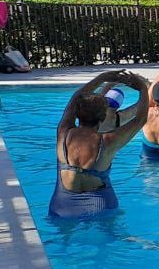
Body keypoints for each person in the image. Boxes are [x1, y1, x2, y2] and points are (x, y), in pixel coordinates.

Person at [48, 70, 149, 220]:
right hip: (100, 206)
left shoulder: (63, 133)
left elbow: (76, 97)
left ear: (77, 114)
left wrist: (103, 77)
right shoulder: (108, 141)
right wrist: (142, 88)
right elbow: (140, 119)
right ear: (102, 118)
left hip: (62, 206)